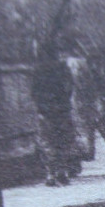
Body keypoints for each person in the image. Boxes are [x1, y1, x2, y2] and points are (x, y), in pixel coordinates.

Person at [31, 41, 76, 186]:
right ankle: (62, 171)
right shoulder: (63, 68)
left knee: (47, 141)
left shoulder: (37, 70)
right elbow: (69, 87)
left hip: (45, 111)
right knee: (63, 140)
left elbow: (34, 92)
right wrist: (64, 101)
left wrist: (40, 107)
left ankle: (50, 173)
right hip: (61, 109)